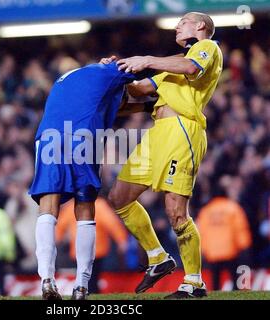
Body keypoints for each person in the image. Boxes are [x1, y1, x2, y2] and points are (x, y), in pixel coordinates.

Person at [104, 12, 223, 298]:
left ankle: (194, 283)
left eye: (183, 21)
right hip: (158, 132)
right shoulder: (170, 69)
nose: (177, 25)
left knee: (175, 211)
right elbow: (136, 91)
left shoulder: (207, 48)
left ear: (200, 26)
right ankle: (158, 257)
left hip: (183, 130)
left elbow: (191, 68)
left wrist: (145, 60)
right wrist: (112, 74)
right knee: (119, 198)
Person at [28, 61, 155, 300]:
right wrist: (162, 98)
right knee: (85, 209)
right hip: (82, 138)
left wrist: (145, 108)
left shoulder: (67, 79)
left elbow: (113, 106)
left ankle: (46, 279)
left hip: (48, 137)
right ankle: (82, 285)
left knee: (48, 208)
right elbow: (143, 70)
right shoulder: (109, 71)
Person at [55, 197, 128, 293]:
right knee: (92, 279)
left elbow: (60, 225)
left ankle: (87, 293)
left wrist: (58, 238)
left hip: (81, 250)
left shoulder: (73, 206)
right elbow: (112, 223)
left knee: (85, 278)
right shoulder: (98, 205)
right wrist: (121, 240)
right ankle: (91, 293)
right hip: (96, 250)